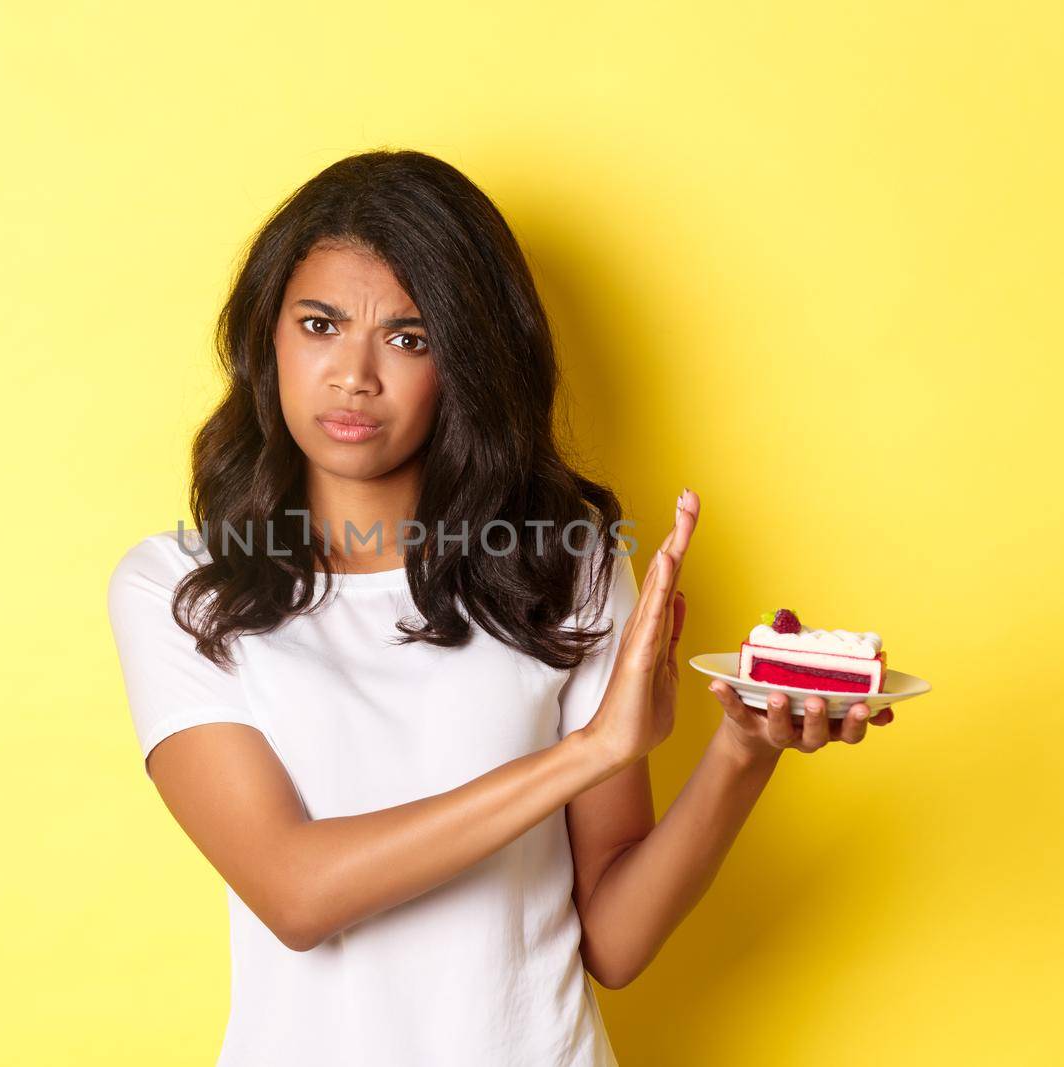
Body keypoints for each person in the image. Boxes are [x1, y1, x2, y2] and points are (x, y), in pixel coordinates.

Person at [106, 148, 894, 1067]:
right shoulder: (182, 589)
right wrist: (591, 752)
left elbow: (614, 940)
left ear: (469, 361)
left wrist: (742, 751)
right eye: (320, 324)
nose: (355, 374)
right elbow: (296, 892)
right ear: (267, 338)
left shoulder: (567, 570)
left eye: (411, 338)